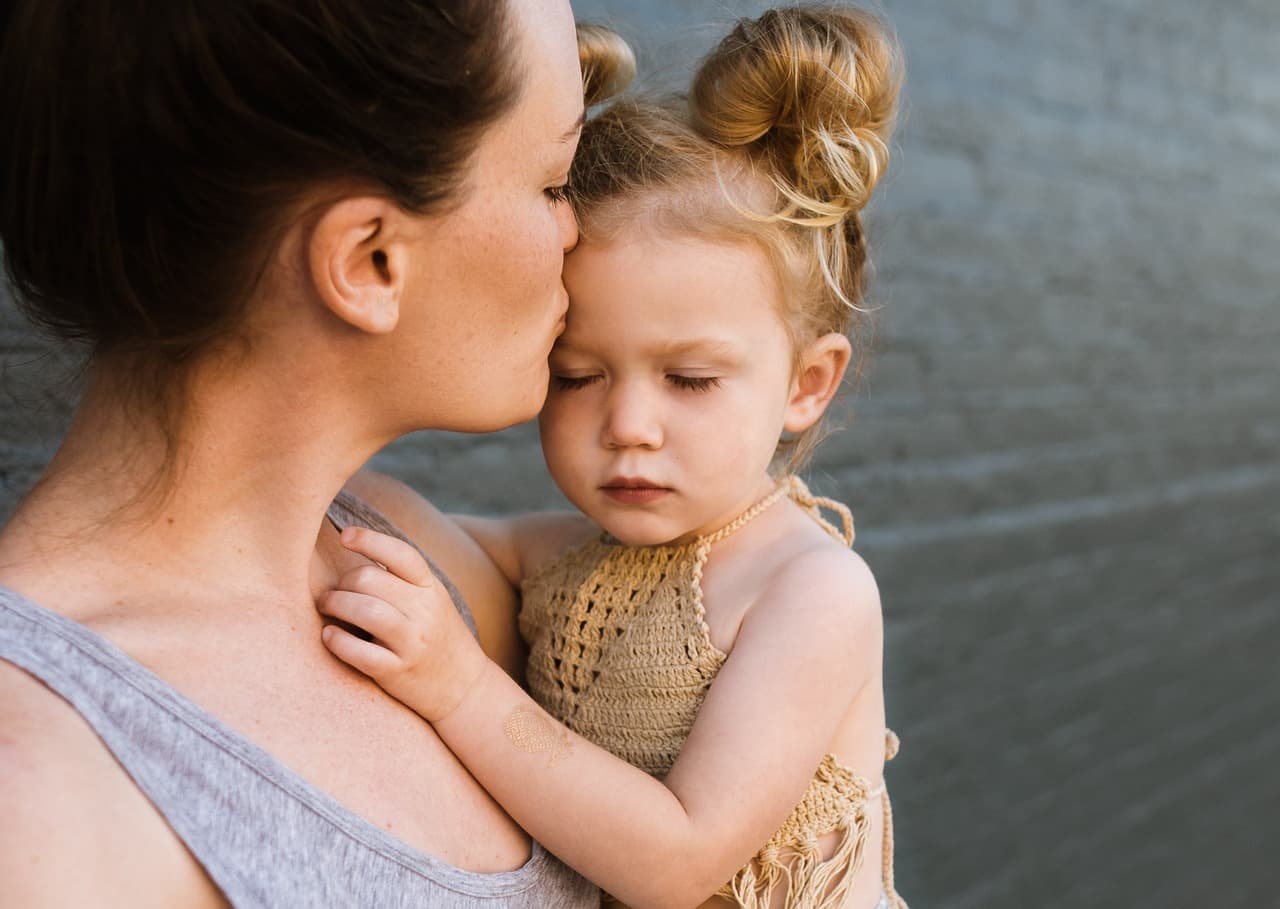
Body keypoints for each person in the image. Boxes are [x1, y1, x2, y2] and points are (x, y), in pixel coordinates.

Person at [0, 1, 605, 905]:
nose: (578, 232)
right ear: (369, 262)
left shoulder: (408, 557)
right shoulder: (40, 789)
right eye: (555, 183)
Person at [316, 7, 909, 908]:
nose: (628, 422)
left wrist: (462, 688)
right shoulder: (566, 559)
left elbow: (679, 859)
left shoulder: (809, 590)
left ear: (806, 383)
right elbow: (394, 523)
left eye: (691, 379)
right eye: (578, 374)